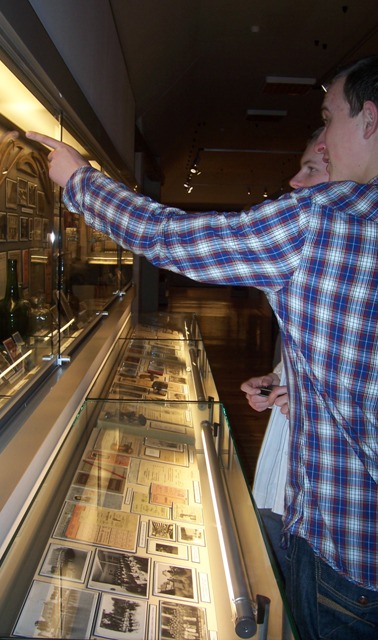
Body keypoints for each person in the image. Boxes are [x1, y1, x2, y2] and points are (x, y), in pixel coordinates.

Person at [27, 55, 378, 639]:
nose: (322, 140)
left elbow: (173, 237)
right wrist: (306, 389)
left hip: (347, 554)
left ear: (369, 118)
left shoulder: (324, 221)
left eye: (328, 118)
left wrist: (80, 181)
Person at [241, 130, 329, 577]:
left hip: (324, 508)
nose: (296, 182)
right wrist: (278, 379)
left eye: (311, 169)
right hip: (282, 478)